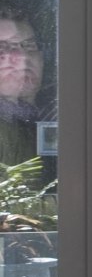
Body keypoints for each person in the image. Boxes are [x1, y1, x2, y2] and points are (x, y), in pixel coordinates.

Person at [0, 12, 49, 168]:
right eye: (1, 47)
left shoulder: (62, 116)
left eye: (29, 45)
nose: (21, 56)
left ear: (42, 59)